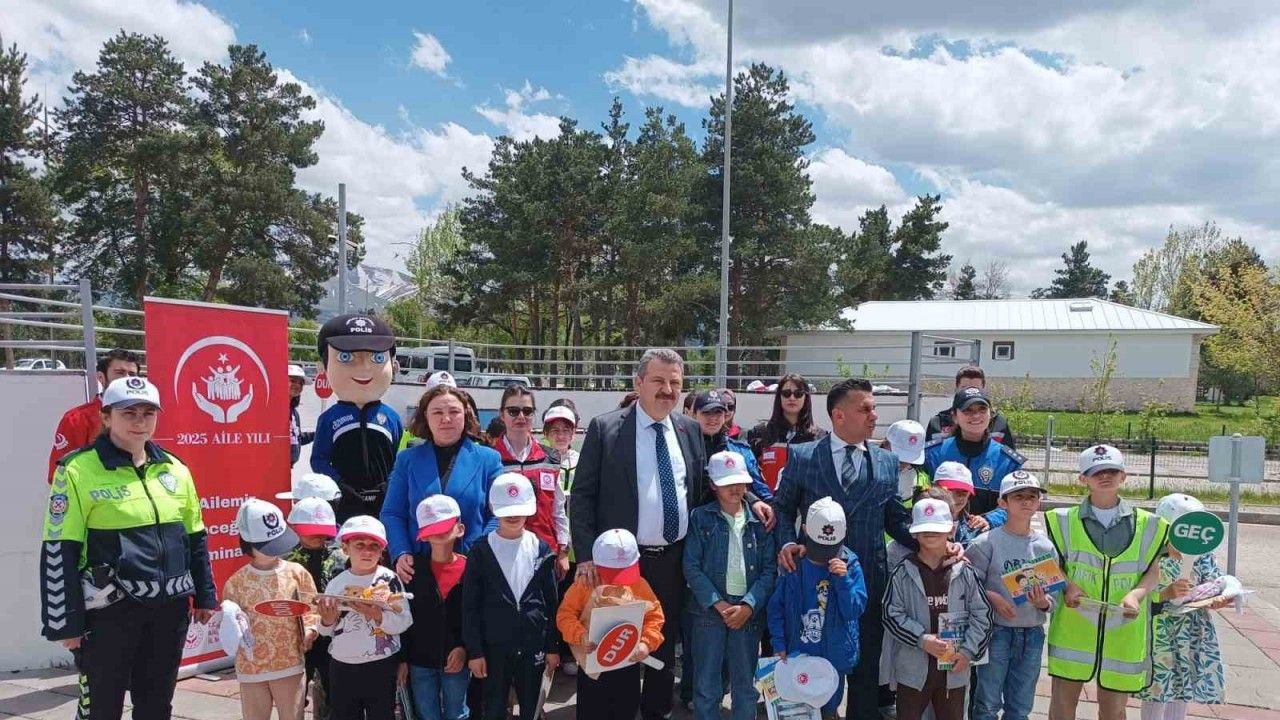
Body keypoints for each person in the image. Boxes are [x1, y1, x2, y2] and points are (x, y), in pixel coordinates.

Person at [774, 378, 962, 720]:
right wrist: (788, 542)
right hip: (812, 583)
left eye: (874, 409)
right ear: (839, 415)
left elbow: (896, 520)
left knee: (864, 669)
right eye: (866, 409)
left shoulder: (886, 462)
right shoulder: (803, 457)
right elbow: (783, 509)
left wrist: (937, 542)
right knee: (811, 667)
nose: (874, 416)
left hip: (866, 585)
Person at [40, 376, 217, 720]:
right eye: (128, 413)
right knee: (102, 709)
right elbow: (59, 549)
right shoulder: (77, 470)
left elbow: (195, 537)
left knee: (156, 707)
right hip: (109, 615)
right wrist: (65, 623)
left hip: (169, 613)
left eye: (148, 413)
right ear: (106, 417)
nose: (140, 422)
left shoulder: (175, 468)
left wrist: (205, 596)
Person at [569, 348, 708, 720]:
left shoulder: (690, 430)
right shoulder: (606, 428)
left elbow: (705, 486)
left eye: (675, 382)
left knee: (661, 643)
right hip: (620, 565)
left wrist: (753, 501)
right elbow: (582, 496)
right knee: (614, 645)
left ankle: (656, 711)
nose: (668, 390)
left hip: (673, 561)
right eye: (659, 380)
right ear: (639, 382)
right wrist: (586, 556)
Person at [1046, 445, 1169, 720]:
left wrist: (1136, 595)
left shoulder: (1150, 524)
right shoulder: (1060, 520)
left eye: (1112, 471)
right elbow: (1051, 564)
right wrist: (1067, 585)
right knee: (1062, 709)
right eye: (1096, 472)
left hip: (1123, 632)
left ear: (1123, 476)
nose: (1105, 476)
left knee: (1114, 711)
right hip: (1074, 630)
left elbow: (1154, 571)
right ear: (1083, 478)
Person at [685, 451, 778, 720]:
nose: (735, 489)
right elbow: (691, 566)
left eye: (740, 482)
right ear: (713, 485)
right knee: (706, 684)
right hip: (709, 613)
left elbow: (769, 570)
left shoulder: (759, 522)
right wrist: (718, 603)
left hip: (748, 613)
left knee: (745, 684)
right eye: (727, 483)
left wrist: (749, 605)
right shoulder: (700, 518)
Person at [382, 385, 504, 587]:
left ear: (466, 415)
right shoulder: (407, 460)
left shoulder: (489, 460)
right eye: (437, 412)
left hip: (472, 569)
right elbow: (392, 513)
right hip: (418, 569)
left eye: (454, 412)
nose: (446, 419)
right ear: (426, 417)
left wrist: (479, 552)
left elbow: (499, 513)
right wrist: (401, 551)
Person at [462, 474, 561, 720]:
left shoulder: (541, 549)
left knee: (532, 708)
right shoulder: (480, 551)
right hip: (494, 647)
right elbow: (470, 606)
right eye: (507, 510)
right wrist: (475, 651)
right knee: (493, 707)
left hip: (532, 645)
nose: (513, 516)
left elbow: (551, 603)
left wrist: (552, 647)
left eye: (519, 510)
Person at [883, 498, 993, 720]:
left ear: (951, 530)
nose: (931, 534)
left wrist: (968, 651)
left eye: (937, 528)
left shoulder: (965, 571)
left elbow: (983, 615)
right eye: (924, 529)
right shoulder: (903, 572)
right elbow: (891, 614)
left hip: (954, 669)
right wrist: (921, 639)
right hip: (912, 670)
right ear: (914, 533)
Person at [767, 497, 867, 720]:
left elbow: (854, 610)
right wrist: (779, 642)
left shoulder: (850, 564)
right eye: (819, 549)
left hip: (834, 658)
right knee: (797, 712)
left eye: (830, 550)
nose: (825, 557)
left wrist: (843, 581)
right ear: (805, 530)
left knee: (829, 711)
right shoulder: (794, 564)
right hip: (797, 655)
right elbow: (776, 608)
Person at [968, 471, 1055, 720]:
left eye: (1032, 496)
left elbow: (1053, 596)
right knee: (987, 704)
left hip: (1032, 633)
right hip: (996, 631)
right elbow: (968, 586)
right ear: (1002, 502)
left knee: (1020, 706)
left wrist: (1044, 603)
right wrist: (992, 597)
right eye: (1018, 496)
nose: (1026, 501)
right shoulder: (985, 543)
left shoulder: (1045, 546)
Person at [1137, 493, 1231, 720]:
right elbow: (1138, 592)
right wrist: (1165, 593)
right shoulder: (1150, 552)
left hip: (1191, 630)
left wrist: (1217, 598)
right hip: (1159, 630)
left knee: (1182, 685)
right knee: (1156, 687)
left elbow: (1213, 580)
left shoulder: (1203, 554)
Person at [222, 499, 317, 720]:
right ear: (248, 543)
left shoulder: (296, 573)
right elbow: (231, 623)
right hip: (251, 667)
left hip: (289, 662)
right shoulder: (237, 582)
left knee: (292, 714)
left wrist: (311, 630)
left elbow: (311, 607)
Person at [557, 529, 665, 720]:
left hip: (627, 665)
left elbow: (654, 616)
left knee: (626, 711)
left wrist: (646, 643)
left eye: (623, 571)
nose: (617, 579)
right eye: (611, 572)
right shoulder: (584, 584)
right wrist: (580, 635)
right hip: (591, 666)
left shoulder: (639, 584)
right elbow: (565, 615)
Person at [317, 516, 413, 720]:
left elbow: (405, 620)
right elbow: (325, 630)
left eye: (374, 546)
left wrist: (377, 615)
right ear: (346, 548)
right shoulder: (336, 583)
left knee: (382, 714)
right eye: (359, 545)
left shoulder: (389, 579)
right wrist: (327, 620)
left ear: (382, 551)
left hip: (381, 663)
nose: (367, 552)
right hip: (342, 664)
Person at [310, 314, 403, 522]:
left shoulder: (392, 417)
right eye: (345, 357)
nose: (364, 368)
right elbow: (319, 459)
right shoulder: (329, 418)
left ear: (393, 364)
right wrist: (339, 485)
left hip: (385, 504)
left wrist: (390, 485)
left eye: (377, 358)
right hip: (344, 504)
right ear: (324, 366)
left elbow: (401, 458)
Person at [403, 495, 471, 720]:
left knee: (457, 713)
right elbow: (404, 618)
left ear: (460, 529)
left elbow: (476, 617)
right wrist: (403, 659)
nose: (440, 533)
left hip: (457, 660)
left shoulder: (471, 569)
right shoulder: (412, 571)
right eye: (433, 528)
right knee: (426, 714)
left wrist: (464, 649)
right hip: (420, 661)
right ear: (423, 535)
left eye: (445, 526)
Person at [282, 487, 347, 720]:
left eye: (324, 534)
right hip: (298, 635)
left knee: (335, 691)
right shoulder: (285, 558)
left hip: (333, 634)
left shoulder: (340, 556)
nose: (320, 538)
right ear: (294, 529)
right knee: (295, 694)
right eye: (312, 533)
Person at [492, 384, 570, 579]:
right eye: (513, 411)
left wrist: (563, 550)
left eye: (527, 411)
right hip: (501, 553)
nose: (521, 416)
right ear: (502, 415)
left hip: (544, 553)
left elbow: (558, 509)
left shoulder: (551, 458)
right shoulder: (490, 458)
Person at [924, 387, 1025, 525]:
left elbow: (1017, 504)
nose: (976, 416)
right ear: (955, 416)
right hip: (940, 531)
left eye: (982, 409)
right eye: (968, 410)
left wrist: (990, 520)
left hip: (989, 534)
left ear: (991, 414)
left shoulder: (1007, 461)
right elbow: (920, 495)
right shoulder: (933, 453)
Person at [46, 348, 141, 482]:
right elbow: (59, 475)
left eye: (132, 374)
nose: (126, 379)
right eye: (119, 373)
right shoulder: (77, 419)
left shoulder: (146, 417)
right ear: (101, 377)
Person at [543, 401, 582, 676]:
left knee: (573, 597)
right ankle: (550, 648)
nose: (560, 435)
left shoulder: (584, 461)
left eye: (566, 430)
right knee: (551, 598)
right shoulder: (541, 460)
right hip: (550, 540)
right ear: (546, 433)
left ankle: (569, 649)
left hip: (576, 544)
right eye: (554, 430)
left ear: (574, 433)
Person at [746, 373, 828, 492]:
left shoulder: (820, 437)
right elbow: (750, 475)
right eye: (786, 393)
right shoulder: (759, 433)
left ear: (806, 398)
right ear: (779, 397)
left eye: (798, 394)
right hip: (767, 501)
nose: (792, 398)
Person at [693, 389, 776, 506]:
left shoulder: (740, 451)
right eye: (706, 413)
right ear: (694, 414)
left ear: (724, 416)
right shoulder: (684, 448)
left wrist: (764, 504)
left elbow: (759, 488)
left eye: (718, 412)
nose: (713, 418)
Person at [924, 366, 1017, 448]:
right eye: (965, 388)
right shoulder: (938, 423)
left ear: (983, 390)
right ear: (956, 389)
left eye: (975, 388)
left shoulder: (999, 423)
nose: (970, 392)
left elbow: (1007, 459)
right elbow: (928, 457)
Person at [932, 461, 990, 547]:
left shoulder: (976, 528)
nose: (958, 497)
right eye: (950, 490)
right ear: (934, 488)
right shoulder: (917, 523)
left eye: (964, 492)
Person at [883, 419, 930, 505]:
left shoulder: (921, 480)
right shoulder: (866, 470)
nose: (904, 463)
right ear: (886, 444)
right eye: (900, 458)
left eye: (909, 458)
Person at [289, 364, 316, 467]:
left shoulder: (294, 413)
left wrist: (318, 434)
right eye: (293, 381)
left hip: (288, 468)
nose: (298, 385)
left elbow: (297, 438)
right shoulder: (273, 410)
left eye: (301, 383)